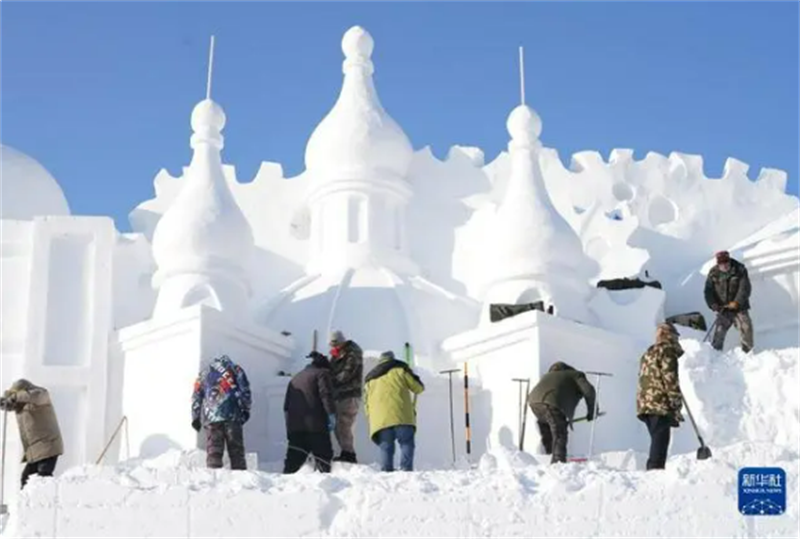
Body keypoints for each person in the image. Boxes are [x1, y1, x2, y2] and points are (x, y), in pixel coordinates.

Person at [364, 350, 425, 472]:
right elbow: (418, 388)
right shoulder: (400, 370)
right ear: (392, 359)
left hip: (380, 420)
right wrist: (414, 376)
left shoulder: (370, 380)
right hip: (402, 415)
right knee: (406, 442)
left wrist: (372, 417)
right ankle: (405, 470)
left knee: (386, 446)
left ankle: (387, 471)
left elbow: (366, 405)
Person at [636, 322, 685, 470]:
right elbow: (670, 380)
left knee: (657, 439)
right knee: (660, 441)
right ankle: (654, 472)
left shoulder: (648, 353)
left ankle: (654, 469)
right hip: (659, 403)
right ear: (670, 336)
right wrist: (676, 404)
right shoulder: (667, 352)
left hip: (645, 404)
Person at [527, 362, 596, 464]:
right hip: (551, 402)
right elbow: (589, 390)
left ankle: (549, 456)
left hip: (533, 402)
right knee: (559, 433)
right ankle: (558, 464)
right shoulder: (575, 374)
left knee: (549, 430)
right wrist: (592, 411)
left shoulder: (548, 376)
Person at [191, 355, 252, 470]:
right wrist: (246, 409)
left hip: (211, 418)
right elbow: (245, 391)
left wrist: (195, 417)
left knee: (214, 452)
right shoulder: (236, 369)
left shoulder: (204, 373)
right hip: (233, 416)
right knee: (236, 452)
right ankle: (241, 481)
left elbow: (196, 396)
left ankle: (214, 480)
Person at [0, 379, 64, 489]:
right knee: (26, 478)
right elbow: (12, 405)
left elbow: (34, 396)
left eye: (17, 394)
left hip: (48, 446)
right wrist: (4, 402)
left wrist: (14, 397)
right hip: (35, 450)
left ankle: (46, 503)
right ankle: (27, 504)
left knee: (43, 478)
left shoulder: (41, 396)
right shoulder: (22, 405)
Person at [283, 351, 336, 473]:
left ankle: (281, 488)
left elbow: (286, 406)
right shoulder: (322, 374)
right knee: (323, 460)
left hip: (295, 428)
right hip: (316, 427)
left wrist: (290, 429)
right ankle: (326, 487)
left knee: (292, 464)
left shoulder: (295, 378)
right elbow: (326, 396)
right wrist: (331, 414)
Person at [704, 250, 754, 353]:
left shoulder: (740, 269)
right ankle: (715, 354)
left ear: (729, 260)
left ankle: (747, 352)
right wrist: (712, 304)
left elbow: (745, 288)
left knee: (746, 327)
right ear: (718, 264)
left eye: (726, 262)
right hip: (723, 308)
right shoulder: (713, 273)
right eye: (722, 263)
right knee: (719, 332)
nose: (725, 265)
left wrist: (737, 302)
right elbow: (708, 291)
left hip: (739, 307)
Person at [328, 330, 364, 463]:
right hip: (341, 395)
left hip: (350, 394)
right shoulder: (338, 354)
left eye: (335, 345)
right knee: (339, 425)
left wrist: (329, 380)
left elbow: (346, 374)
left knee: (343, 424)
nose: (333, 348)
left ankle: (349, 454)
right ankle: (346, 452)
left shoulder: (353, 353)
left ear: (341, 342)